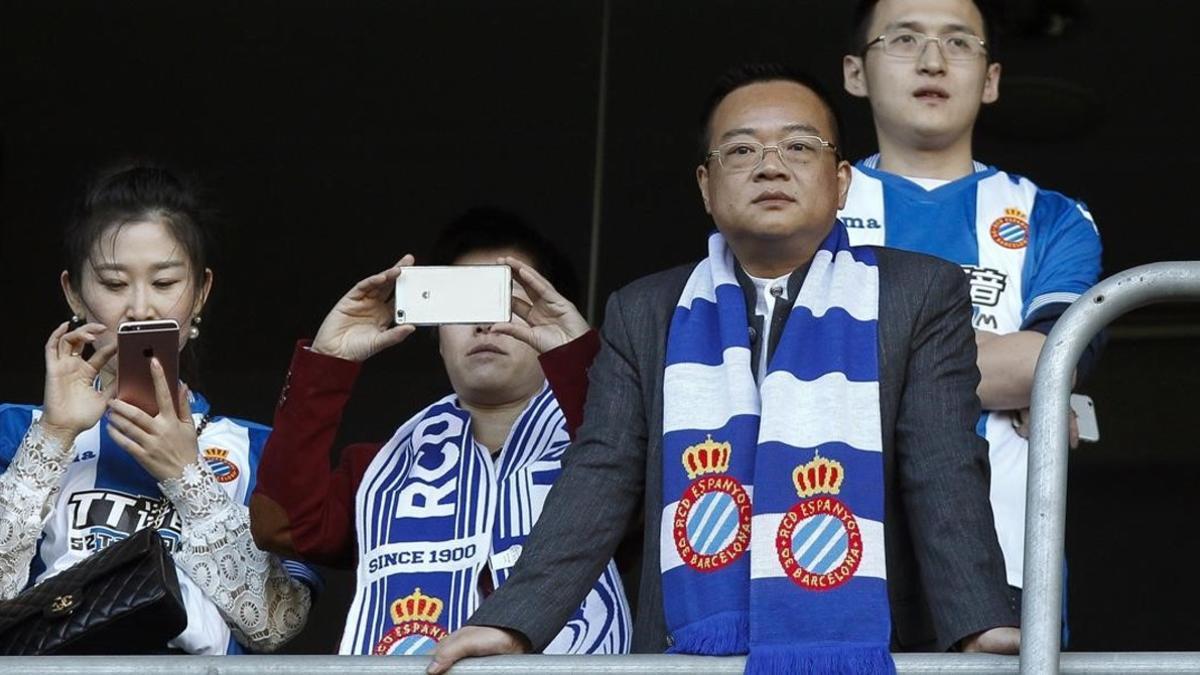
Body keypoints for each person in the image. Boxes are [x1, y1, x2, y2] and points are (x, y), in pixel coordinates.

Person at [427, 64, 1018, 674]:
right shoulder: (645, 310)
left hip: (870, 645)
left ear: (841, 180)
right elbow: (600, 474)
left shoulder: (916, 293)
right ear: (706, 187)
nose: (770, 166)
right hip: (690, 652)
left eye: (798, 146)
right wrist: (512, 621)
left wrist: (978, 623)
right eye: (741, 149)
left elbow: (943, 465)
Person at [249, 208, 631, 656]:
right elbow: (283, 525)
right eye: (465, 303)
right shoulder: (385, 470)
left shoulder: (611, 457)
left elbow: (644, 499)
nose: (486, 322)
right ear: (436, 329)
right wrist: (329, 361)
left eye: (508, 302)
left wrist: (580, 358)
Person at [839, 0, 1104, 596]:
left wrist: (855, 360)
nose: (933, 61)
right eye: (904, 39)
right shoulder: (808, 209)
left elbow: (1051, 360)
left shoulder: (1053, 218)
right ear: (855, 72)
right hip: (821, 558)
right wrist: (993, 369)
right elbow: (772, 358)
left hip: (1006, 574)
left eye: (959, 43)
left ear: (990, 80)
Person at [0, 163, 317, 654]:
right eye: (113, 283)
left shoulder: (252, 446)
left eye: (165, 282)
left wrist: (187, 474)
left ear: (201, 293)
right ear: (74, 293)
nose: (141, 308)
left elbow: (277, 625)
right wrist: (54, 436)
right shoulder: (16, 429)